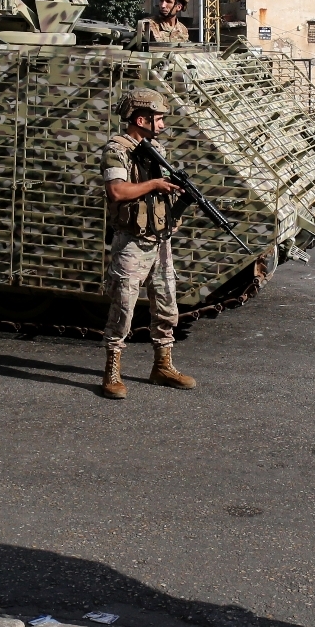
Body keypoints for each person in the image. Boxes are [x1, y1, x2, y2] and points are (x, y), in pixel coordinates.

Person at [98, 87, 198, 399]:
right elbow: (117, 191)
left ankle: (162, 366)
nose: (163, 124)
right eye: (158, 119)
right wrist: (154, 184)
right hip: (132, 242)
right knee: (123, 307)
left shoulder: (155, 149)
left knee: (167, 305)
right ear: (141, 119)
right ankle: (112, 372)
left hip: (160, 239)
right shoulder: (116, 150)